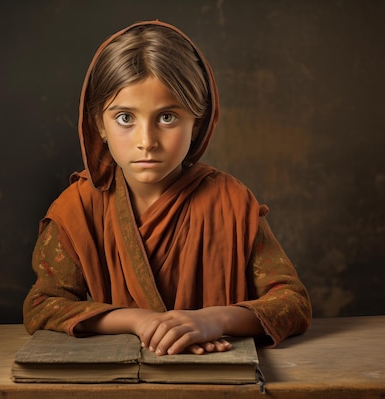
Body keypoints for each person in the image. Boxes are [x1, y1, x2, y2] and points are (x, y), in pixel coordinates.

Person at [23, 20, 312, 356]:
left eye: (167, 117)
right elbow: (43, 305)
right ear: (99, 124)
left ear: (197, 122)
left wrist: (214, 320)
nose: (147, 142)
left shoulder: (230, 202)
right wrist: (135, 320)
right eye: (125, 118)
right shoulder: (79, 208)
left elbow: (292, 302)